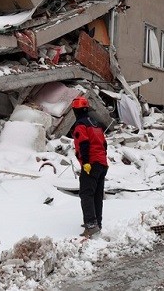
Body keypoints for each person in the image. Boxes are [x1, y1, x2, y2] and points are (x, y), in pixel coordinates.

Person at [71, 95, 108, 237]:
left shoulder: (81, 124)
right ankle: (97, 221)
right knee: (97, 195)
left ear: (76, 110)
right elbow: (104, 144)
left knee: (86, 194)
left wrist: (86, 162)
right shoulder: (95, 123)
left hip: (91, 164)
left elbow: (83, 143)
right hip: (102, 163)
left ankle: (91, 225)